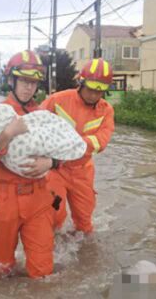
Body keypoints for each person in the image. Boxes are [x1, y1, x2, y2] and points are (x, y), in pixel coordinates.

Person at [0, 50, 58, 278]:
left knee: (43, 274)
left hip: (40, 198)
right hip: (5, 199)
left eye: (33, 82)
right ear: (11, 81)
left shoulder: (43, 115)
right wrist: (6, 135)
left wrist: (51, 162)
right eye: (23, 80)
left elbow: (64, 149)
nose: (28, 87)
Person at [40, 58, 115, 235]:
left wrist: (75, 144)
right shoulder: (58, 100)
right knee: (54, 214)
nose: (94, 95)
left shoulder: (106, 110)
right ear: (80, 83)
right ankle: (50, 247)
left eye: (100, 91)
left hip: (83, 171)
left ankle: (86, 256)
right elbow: (36, 123)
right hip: (56, 168)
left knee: (84, 220)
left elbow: (101, 141)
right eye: (91, 89)